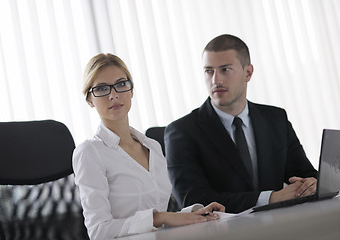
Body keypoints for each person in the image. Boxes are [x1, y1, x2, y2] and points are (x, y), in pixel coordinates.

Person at [72, 53, 225, 239]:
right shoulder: (90, 152)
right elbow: (99, 231)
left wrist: (190, 215)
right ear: (89, 99)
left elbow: (156, 221)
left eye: (121, 84)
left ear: (131, 91)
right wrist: (159, 218)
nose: (113, 95)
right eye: (102, 88)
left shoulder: (152, 146)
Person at [164, 34, 318, 214]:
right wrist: (270, 198)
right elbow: (192, 201)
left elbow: (305, 174)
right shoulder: (182, 132)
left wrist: (312, 184)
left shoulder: (275, 119)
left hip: (280, 226)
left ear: (248, 72)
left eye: (225, 69)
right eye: (209, 71)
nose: (216, 80)